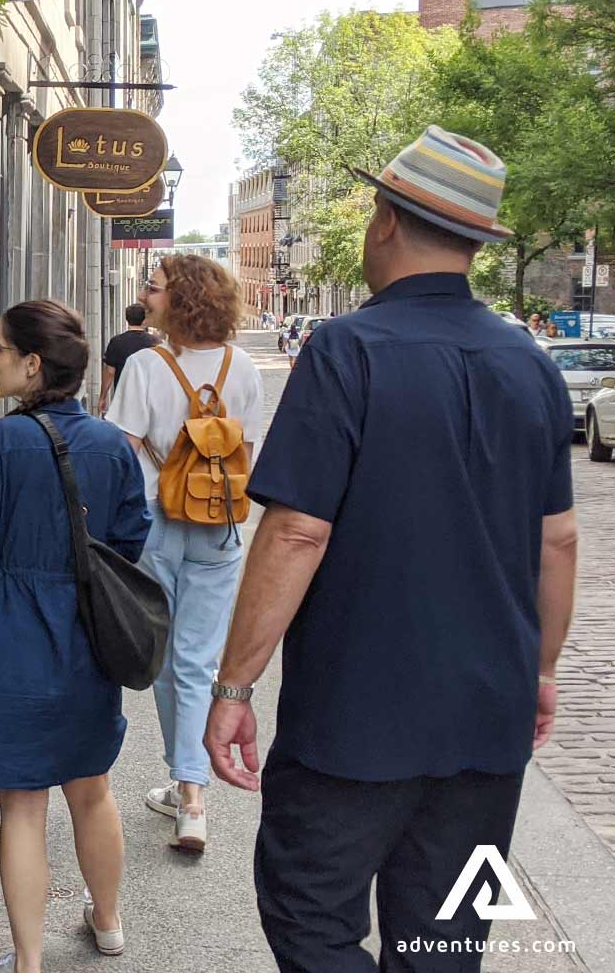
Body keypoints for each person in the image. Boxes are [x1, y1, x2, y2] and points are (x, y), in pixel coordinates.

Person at [205, 126, 577, 972]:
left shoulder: (346, 350)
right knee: (443, 940)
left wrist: (235, 684)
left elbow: (297, 529)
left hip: (353, 716)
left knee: (310, 916)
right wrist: (544, 670)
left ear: (383, 223)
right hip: (488, 714)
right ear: (478, 246)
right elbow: (558, 540)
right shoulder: (532, 364)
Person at [0, 300, 151, 973]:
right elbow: (129, 542)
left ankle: (29, 961)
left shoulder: (0, 441)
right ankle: (109, 924)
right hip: (85, 635)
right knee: (91, 788)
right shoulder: (112, 445)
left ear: (31, 365)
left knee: (23, 805)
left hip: (8, 633)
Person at [106, 254, 264, 853]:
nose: (147, 293)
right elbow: (242, 453)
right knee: (197, 660)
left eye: (155, 286)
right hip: (219, 526)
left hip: (156, 524)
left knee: (170, 661)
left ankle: (188, 787)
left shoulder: (147, 365)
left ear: (183, 299)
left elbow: (121, 455)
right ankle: (189, 794)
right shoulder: (241, 366)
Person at [97, 304, 160, 414]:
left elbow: (110, 372)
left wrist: (103, 397)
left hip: (124, 398)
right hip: (149, 398)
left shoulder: (116, 342)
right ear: (144, 320)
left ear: (127, 319)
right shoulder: (154, 342)